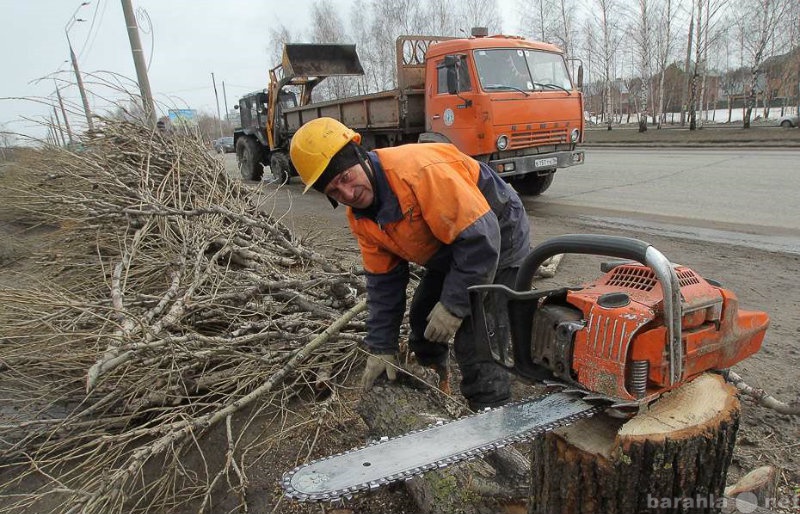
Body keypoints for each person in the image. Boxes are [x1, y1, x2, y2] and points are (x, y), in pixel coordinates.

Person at [289, 117, 531, 411]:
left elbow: (481, 241)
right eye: (336, 192)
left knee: (477, 336)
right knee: (423, 321)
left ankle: (492, 413)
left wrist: (454, 306)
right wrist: (381, 347)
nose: (349, 194)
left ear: (360, 157)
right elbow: (383, 283)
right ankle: (437, 388)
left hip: (498, 234)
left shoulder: (417, 173)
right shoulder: (362, 219)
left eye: (345, 178)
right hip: (453, 243)